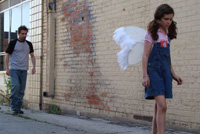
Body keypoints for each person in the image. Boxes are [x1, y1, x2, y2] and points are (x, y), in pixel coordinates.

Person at [142, 4, 182, 134]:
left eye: (170, 19)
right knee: (163, 106)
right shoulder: (152, 34)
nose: (169, 22)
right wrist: (145, 75)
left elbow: (167, 58)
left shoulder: (168, 34)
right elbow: (145, 55)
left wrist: (174, 74)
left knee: (157, 107)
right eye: (166, 19)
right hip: (153, 72)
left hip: (165, 72)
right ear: (158, 19)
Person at [5, 25, 36, 114]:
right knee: (16, 86)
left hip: (24, 70)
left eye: (26, 34)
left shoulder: (29, 44)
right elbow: (7, 55)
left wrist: (34, 67)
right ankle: (13, 106)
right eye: (22, 34)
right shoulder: (13, 43)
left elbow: (33, 56)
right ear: (18, 33)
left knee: (21, 90)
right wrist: (7, 68)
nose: (24, 35)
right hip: (14, 69)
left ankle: (18, 108)